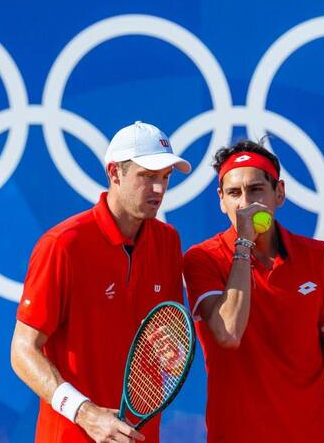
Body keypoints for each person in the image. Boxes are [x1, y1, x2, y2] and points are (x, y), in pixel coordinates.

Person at [10, 121, 191, 443]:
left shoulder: (168, 241)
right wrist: (85, 412)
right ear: (114, 173)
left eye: (165, 178)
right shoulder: (63, 244)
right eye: (147, 177)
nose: (160, 190)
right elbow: (23, 350)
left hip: (140, 434)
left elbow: (171, 336)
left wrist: (171, 354)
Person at [183, 139, 324, 442]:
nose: (245, 203)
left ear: (278, 193)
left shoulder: (318, 258)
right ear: (221, 200)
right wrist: (244, 243)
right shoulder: (202, 259)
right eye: (233, 193)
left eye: (256, 189)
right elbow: (228, 332)